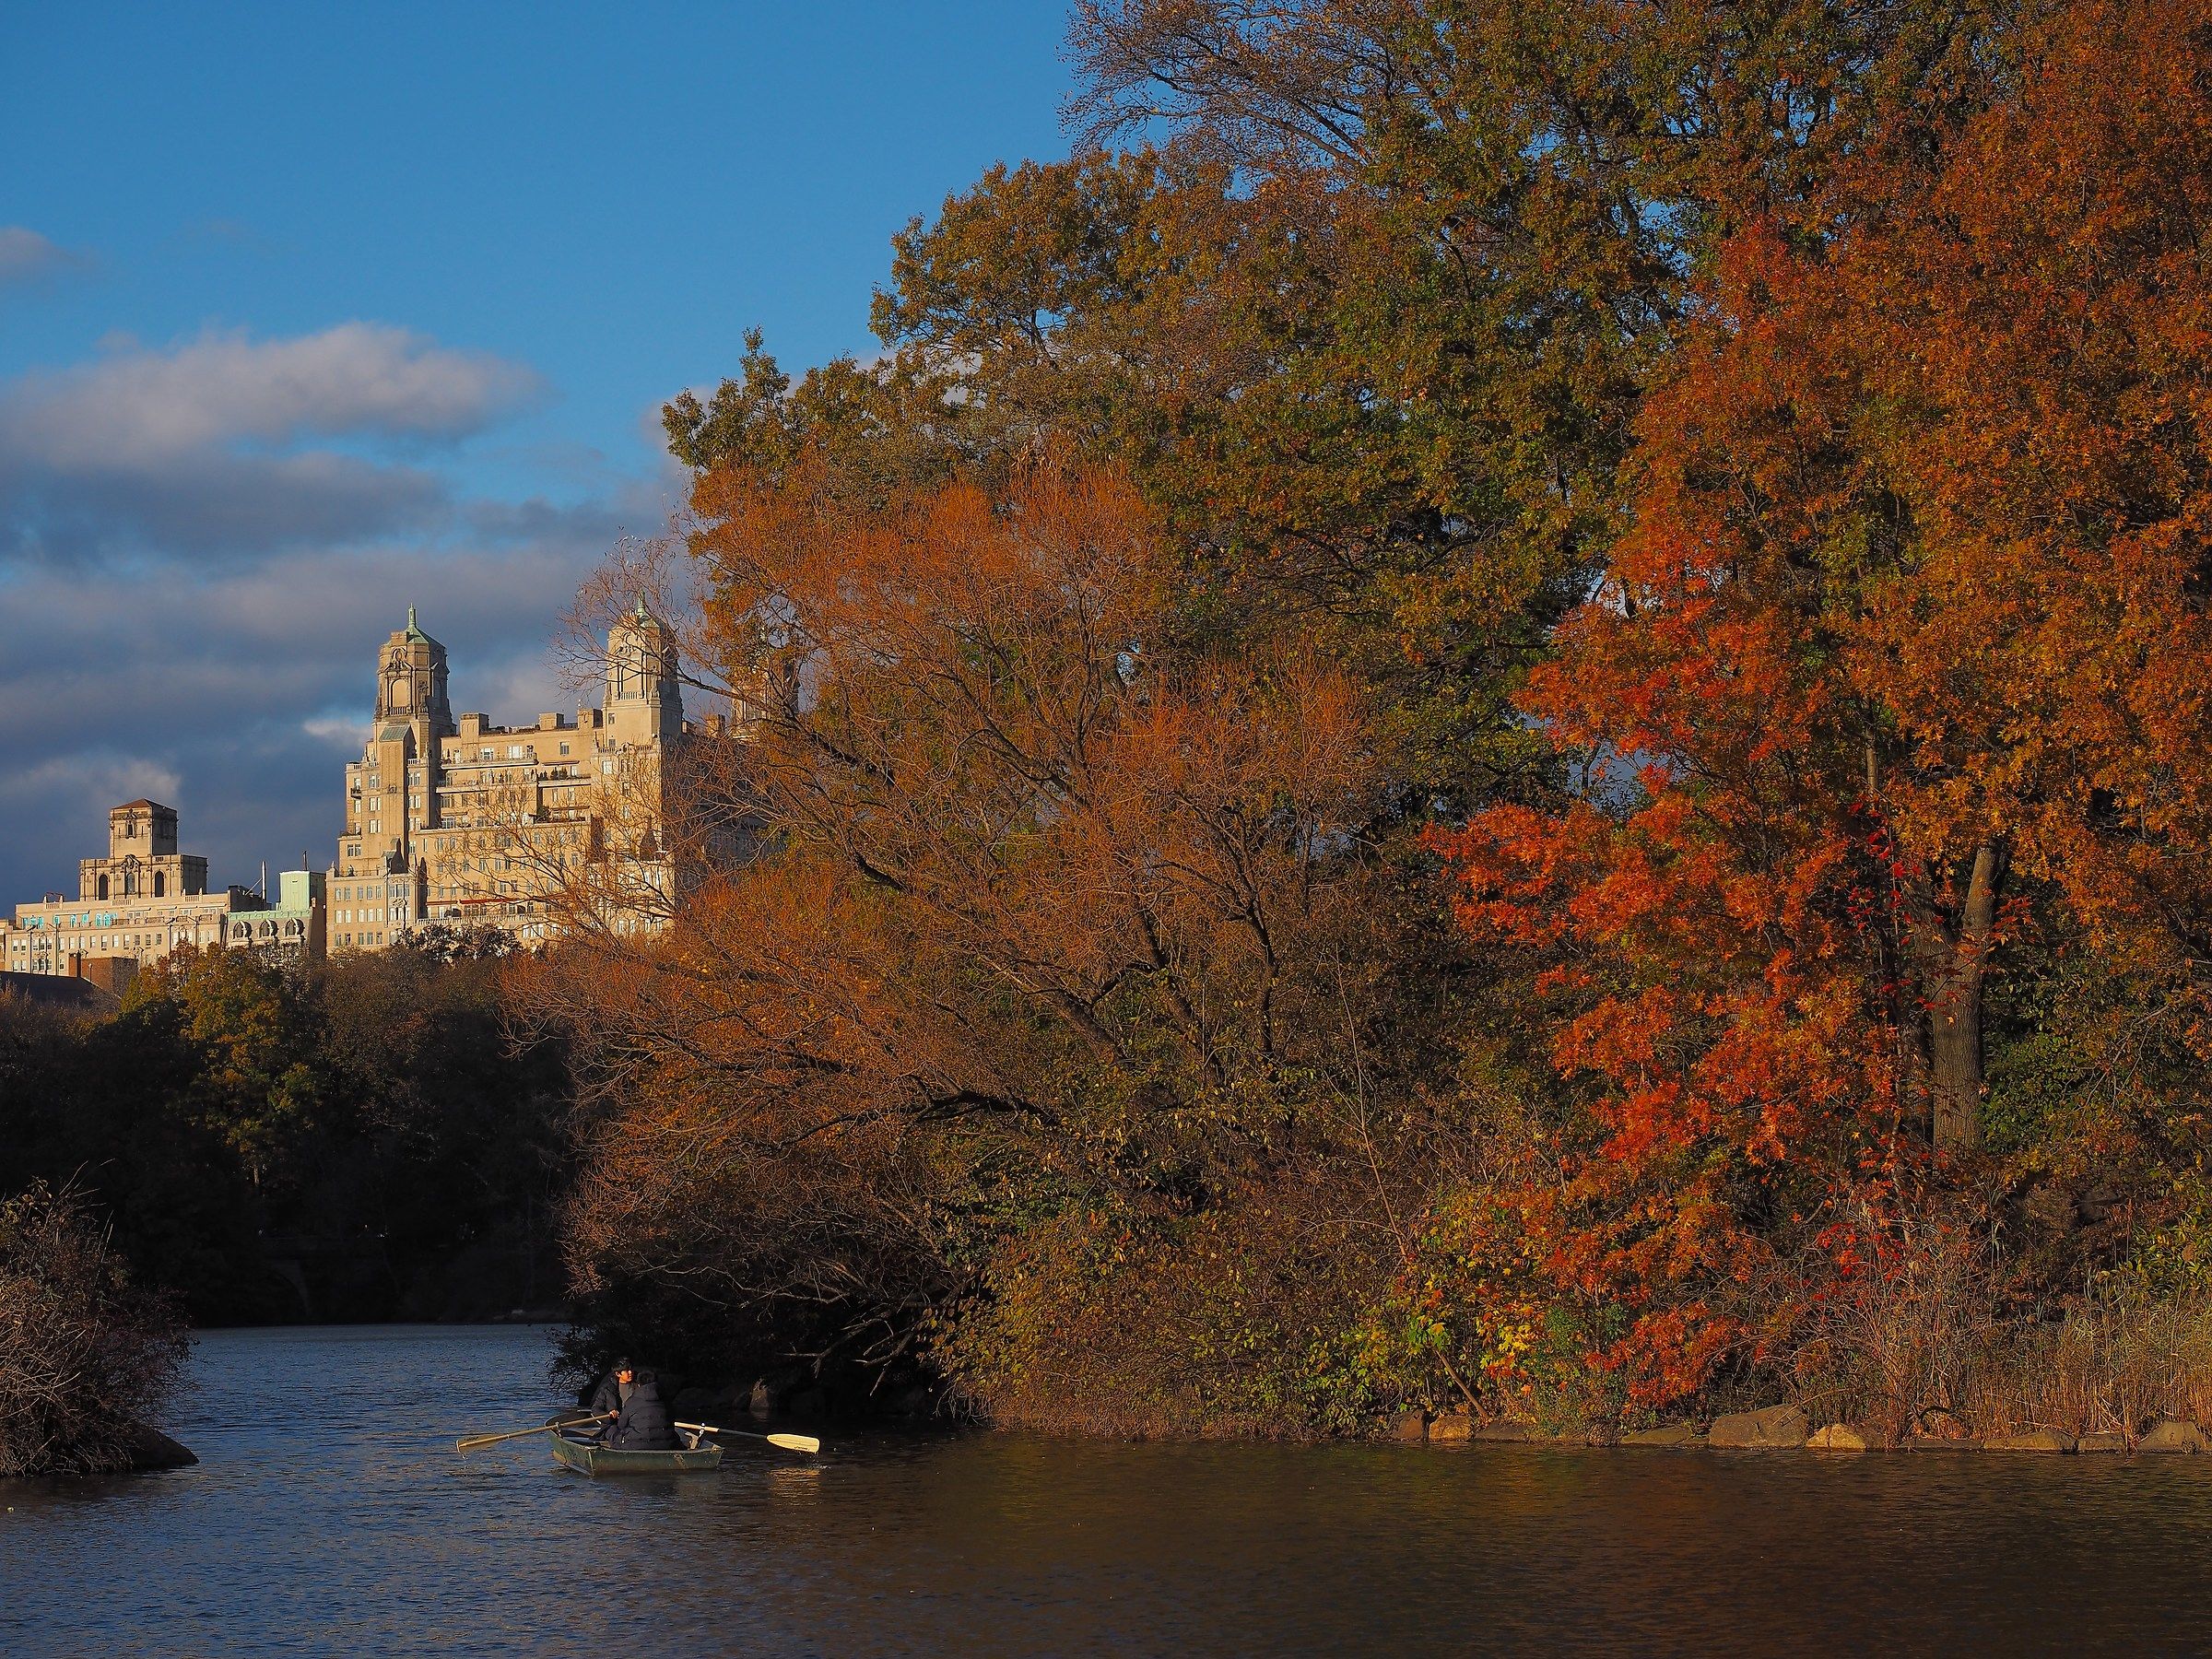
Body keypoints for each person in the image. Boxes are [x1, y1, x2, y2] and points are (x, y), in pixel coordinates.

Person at [606, 1368, 681, 1451]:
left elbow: (621, 1426)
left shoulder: (631, 1401)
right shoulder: (666, 1401)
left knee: (612, 1430)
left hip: (636, 1445)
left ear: (638, 1385)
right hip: (667, 1445)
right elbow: (672, 1421)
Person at [587, 1357, 636, 1423]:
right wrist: (609, 1415)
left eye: (631, 1369)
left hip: (634, 1423)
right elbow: (596, 1408)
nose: (630, 1372)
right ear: (618, 1374)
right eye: (627, 1371)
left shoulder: (639, 1386)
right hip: (614, 1424)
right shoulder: (607, 1388)